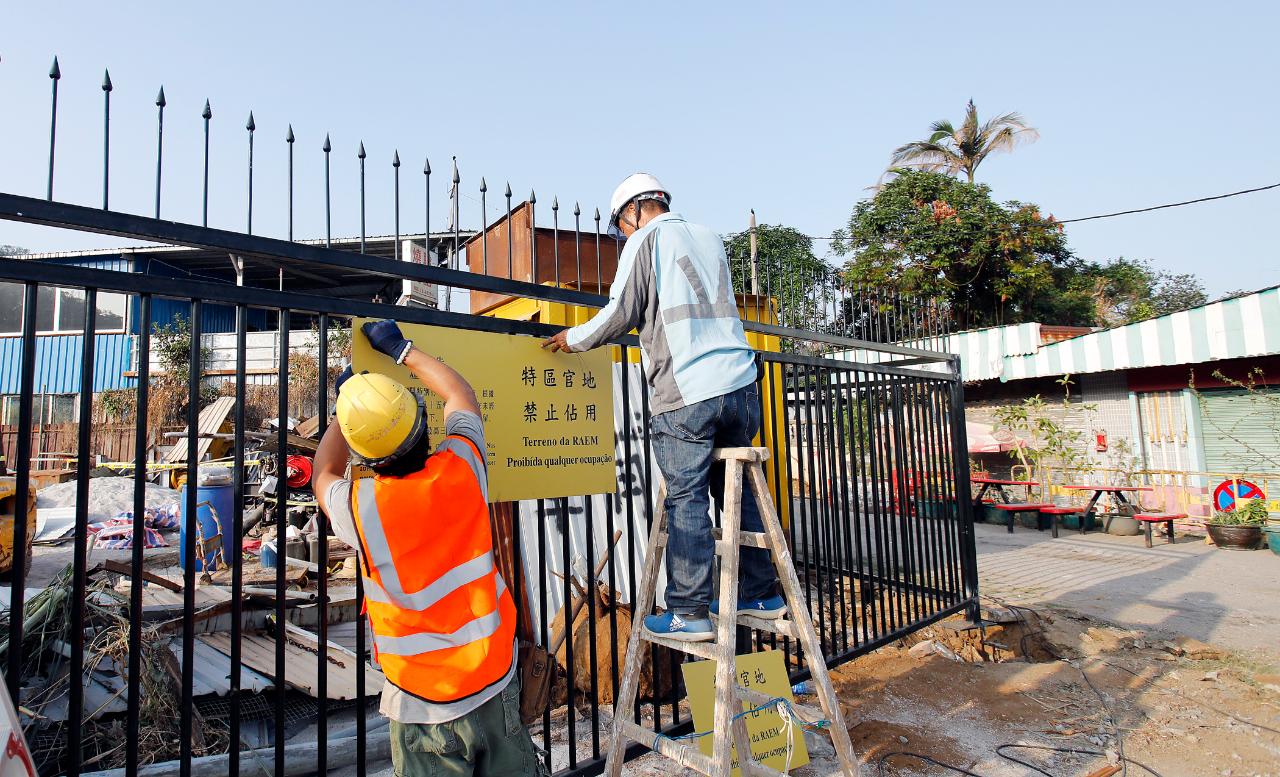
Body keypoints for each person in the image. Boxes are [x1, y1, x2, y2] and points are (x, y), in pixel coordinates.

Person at [543, 173, 784, 642]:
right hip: (741, 388)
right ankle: (760, 592)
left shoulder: (645, 240)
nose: (622, 234)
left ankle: (689, 610)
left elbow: (620, 313)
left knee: (686, 498)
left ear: (634, 210)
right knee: (735, 493)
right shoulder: (709, 237)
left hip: (688, 392)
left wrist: (573, 338)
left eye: (620, 225)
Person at [315, 319, 545, 777]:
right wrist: (401, 350)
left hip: (421, 704)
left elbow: (324, 471)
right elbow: (460, 395)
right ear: (423, 424)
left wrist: (348, 404)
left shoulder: (360, 509)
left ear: (367, 459)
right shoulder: (462, 470)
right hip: (492, 681)